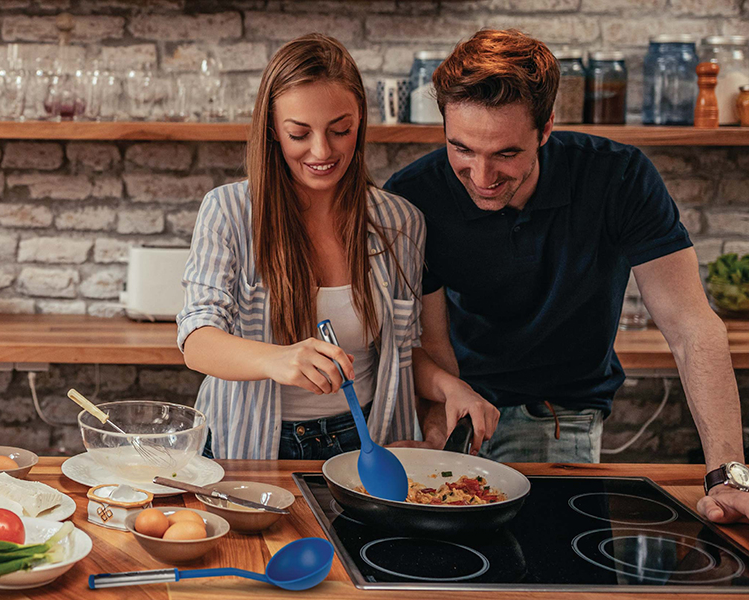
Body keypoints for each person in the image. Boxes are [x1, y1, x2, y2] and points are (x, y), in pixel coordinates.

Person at [384, 29, 748, 523]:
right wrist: (439, 419)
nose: (482, 176)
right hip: (459, 408)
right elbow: (427, 334)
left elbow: (692, 327)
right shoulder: (413, 196)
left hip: (559, 415)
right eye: (462, 149)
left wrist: (727, 474)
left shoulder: (618, 178)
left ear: (546, 127)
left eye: (507, 154)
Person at [177, 34, 498, 461]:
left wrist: (449, 387)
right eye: (299, 133)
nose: (322, 151)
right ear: (273, 128)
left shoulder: (399, 223)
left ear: (360, 121)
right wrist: (280, 360)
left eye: (339, 130)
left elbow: (404, 353)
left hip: (366, 441)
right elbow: (198, 339)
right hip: (248, 446)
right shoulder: (229, 212)